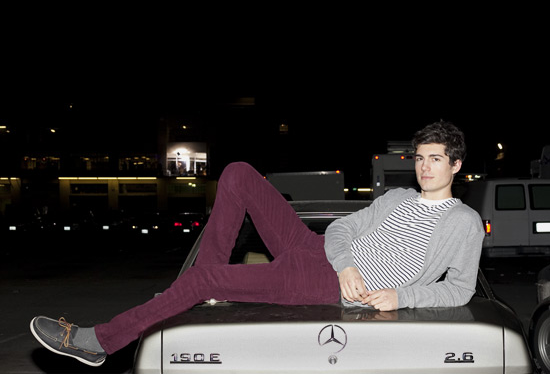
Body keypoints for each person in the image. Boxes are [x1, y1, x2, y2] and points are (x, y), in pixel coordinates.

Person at [30, 120, 485, 367]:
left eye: (436, 159)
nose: (425, 167)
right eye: (420, 158)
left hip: (327, 284)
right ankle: (205, 287)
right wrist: (346, 260)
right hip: (317, 249)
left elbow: (460, 289)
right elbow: (343, 229)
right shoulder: (397, 198)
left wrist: (401, 296)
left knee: (203, 279)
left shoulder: (462, 222)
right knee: (238, 173)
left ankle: (97, 342)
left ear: (456, 165)